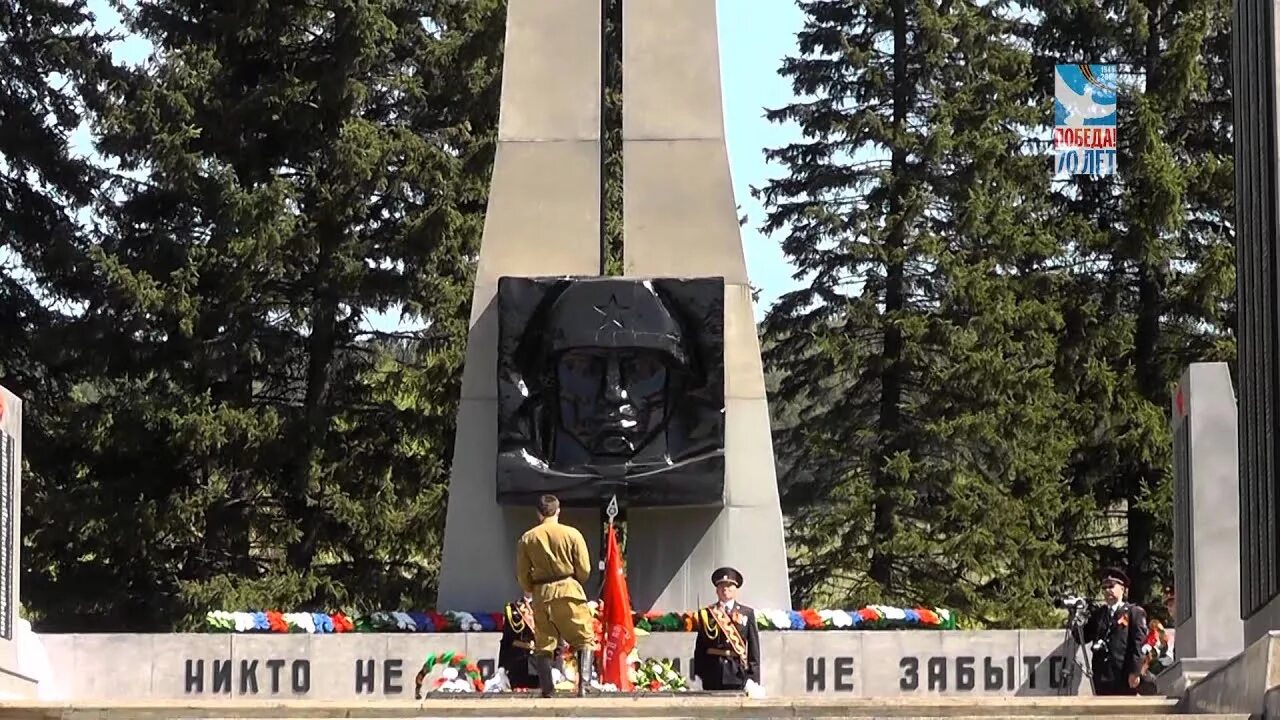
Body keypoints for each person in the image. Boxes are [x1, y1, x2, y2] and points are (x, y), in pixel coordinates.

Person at [515, 494, 596, 697]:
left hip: (542, 594)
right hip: (569, 591)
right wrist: (573, 581)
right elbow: (584, 569)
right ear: (558, 510)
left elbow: (522, 575)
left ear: (538, 513)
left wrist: (533, 588)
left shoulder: (527, 538)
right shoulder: (572, 534)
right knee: (583, 639)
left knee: (544, 643)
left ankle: (548, 690)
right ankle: (583, 686)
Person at [692, 567, 761, 692]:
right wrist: (698, 675)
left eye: (729, 585)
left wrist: (753, 678)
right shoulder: (707, 614)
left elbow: (753, 649)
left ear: (736, 589)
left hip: (737, 673)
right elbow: (700, 648)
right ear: (717, 590)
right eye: (721, 586)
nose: (725, 589)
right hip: (712, 672)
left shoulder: (747, 613)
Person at [1083, 567, 1149, 696]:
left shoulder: (1134, 612)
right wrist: (1077, 618)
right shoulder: (1099, 614)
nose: (1108, 591)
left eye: (1111, 586)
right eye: (1104, 588)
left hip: (1124, 676)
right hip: (1101, 677)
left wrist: (1135, 672)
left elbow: (1139, 644)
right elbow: (1082, 637)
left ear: (1122, 589)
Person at [498, 593, 540, 690]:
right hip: (518, 661)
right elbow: (507, 639)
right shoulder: (513, 608)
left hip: (539, 661)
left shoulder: (545, 605)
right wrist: (501, 665)